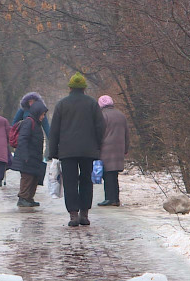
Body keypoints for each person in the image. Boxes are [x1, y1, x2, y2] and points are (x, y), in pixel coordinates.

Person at [49, 72, 105, 226]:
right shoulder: (92, 104)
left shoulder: (62, 105)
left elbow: (54, 130)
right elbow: (101, 127)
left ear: (70, 87)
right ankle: (84, 214)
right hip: (89, 151)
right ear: (84, 88)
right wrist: (99, 147)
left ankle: (73, 215)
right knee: (87, 181)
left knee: (70, 182)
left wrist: (53, 152)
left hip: (67, 152)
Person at [11, 101, 48, 207]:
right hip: (27, 157)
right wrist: (25, 155)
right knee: (27, 178)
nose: (43, 117)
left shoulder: (36, 123)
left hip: (34, 157)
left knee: (34, 178)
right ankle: (23, 198)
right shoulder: (29, 122)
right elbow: (23, 139)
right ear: (37, 113)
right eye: (42, 114)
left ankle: (29, 198)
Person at [97, 95, 130, 206]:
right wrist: (126, 148)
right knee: (114, 174)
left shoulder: (102, 115)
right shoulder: (121, 115)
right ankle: (115, 198)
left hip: (106, 149)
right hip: (119, 148)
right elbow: (127, 134)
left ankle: (109, 198)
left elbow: (99, 133)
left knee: (107, 174)